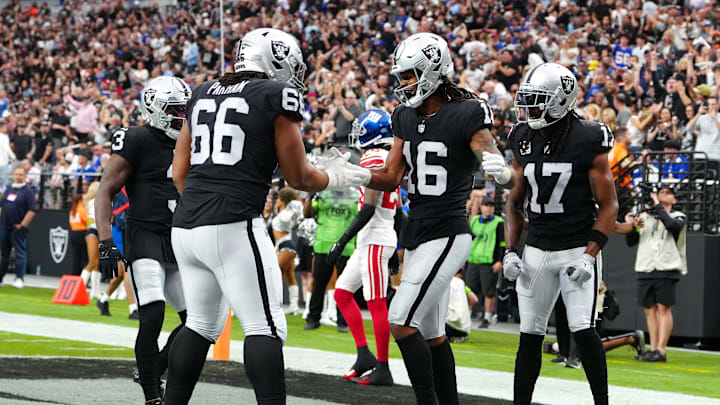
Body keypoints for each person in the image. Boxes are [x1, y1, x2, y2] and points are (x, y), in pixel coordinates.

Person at [164, 28, 368, 405]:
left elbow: (179, 170)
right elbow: (299, 177)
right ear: (275, 61)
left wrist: (203, 202)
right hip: (233, 222)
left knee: (200, 324)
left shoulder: (202, 92)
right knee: (266, 326)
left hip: (187, 223)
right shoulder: (277, 94)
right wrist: (334, 175)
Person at [355, 32, 516, 405]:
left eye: (411, 75)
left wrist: (501, 170)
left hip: (448, 231)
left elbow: (487, 150)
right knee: (432, 334)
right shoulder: (404, 116)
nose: (404, 84)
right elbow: (392, 176)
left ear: (433, 71)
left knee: (400, 319)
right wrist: (354, 175)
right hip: (418, 232)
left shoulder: (467, 112)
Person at [504, 63, 618, 405]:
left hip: (576, 247)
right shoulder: (522, 137)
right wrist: (510, 250)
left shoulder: (588, 137)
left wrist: (589, 255)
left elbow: (610, 205)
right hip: (537, 246)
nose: (530, 109)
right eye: (528, 101)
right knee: (529, 334)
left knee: (583, 328)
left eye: (538, 101)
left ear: (560, 101)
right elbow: (514, 203)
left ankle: (602, 402)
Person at [95, 76, 192, 405]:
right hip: (146, 235)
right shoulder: (136, 138)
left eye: (185, 110)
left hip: (179, 237)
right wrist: (107, 242)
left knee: (197, 323)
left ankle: (153, 367)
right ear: (155, 110)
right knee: (152, 316)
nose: (183, 117)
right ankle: (152, 396)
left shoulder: (190, 140)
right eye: (175, 110)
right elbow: (105, 190)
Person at [327, 109, 399, 386]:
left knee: (377, 303)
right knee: (343, 294)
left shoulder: (373, 157)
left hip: (374, 238)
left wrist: (342, 240)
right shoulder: (388, 158)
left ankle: (383, 367)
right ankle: (364, 355)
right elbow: (399, 211)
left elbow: (368, 208)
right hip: (378, 237)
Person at [614, 185, 686, 363]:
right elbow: (631, 241)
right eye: (660, 191)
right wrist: (631, 224)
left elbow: (672, 226)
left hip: (666, 265)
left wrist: (656, 204)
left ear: (674, 200)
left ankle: (661, 350)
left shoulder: (679, 216)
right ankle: (653, 348)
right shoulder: (645, 217)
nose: (662, 194)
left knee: (663, 307)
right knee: (649, 309)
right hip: (646, 265)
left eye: (667, 192)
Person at [304, 187, 360, 331]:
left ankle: (343, 321)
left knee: (345, 286)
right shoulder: (323, 194)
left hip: (346, 247)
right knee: (319, 284)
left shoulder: (355, 195)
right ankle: (313, 319)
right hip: (324, 245)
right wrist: (310, 196)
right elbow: (307, 214)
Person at [465, 194, 505, 329]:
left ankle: (487, 318)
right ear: (481, 207)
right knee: (468, 290)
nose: (489, 209)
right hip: (473, 259)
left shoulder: (498, 222)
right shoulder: (475, 220)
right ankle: (466, 316)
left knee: (489, 291)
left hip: (489, 261)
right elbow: (468, 239)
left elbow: (502, 242)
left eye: (491, 206)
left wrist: (499, 260)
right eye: (486, 206)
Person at [0, 166, 36, 288]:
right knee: (4, 254)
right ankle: (0, 278)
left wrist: (22, 225)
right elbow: (2, 205)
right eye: (16, 174)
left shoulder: (28, 191)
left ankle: (20, 278)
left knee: (20, 253)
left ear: (25, 176)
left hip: (18, 227)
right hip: (4, 226)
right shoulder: (9, 189)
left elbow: (31, 210)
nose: (18, 176)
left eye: (21, 174)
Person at [271, 187, 304, 315]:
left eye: (278, 198)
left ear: (282, 200)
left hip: (286, 245)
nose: (276, 201)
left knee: (276, 274)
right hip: (283, 246)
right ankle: (294, 307)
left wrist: (294, 205)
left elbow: (289, 219)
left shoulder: (286, 213)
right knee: (290, 276)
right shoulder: (283, 212)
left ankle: (275, 304)